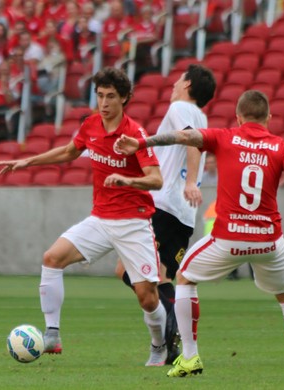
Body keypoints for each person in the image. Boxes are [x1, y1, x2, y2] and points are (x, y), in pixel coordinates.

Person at [114, 90, 284, 378]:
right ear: (269, 118)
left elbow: (183, 137)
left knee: (185, 278)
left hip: (229, 239)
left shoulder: (224, 136)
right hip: (268, 241)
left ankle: (190, 358)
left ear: (238, 117)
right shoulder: (282, 146)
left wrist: (141, 142)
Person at [0, 67, 168, 366]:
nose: (104, 103)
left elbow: (156, 180)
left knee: (147, 297)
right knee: (52, 258)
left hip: (133, 222)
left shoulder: (134, 133)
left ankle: (160, 345)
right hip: (100, 219)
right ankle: (52, 334)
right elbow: (68, 152)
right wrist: (27, 162)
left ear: (125, 98)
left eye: (111, 96)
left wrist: (128, 180)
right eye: (100, 96)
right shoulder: (91, 125)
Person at [114, 63, 216, 365]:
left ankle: (170, 331)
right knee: (163, 277)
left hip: (164, 205)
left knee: (125, 270)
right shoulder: (202, 116)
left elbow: (190, 141)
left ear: (187, 85)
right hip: (184, 214)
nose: (174, 83)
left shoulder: (180, 107)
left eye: (179, 78)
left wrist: (189, 182)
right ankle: (173, 339)